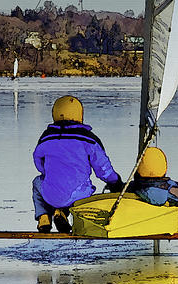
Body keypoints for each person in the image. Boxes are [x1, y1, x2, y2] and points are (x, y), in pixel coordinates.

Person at [32, 95, 123, 233]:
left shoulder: (46, 137)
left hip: (51, 194)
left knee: (37, 182)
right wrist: (115, 182)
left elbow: (38, 160)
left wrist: (48, 173)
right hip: (80, 195)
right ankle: (62, 212)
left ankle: (44, 217)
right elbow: (103, 168)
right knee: (81, 186)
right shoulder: (88, 140)